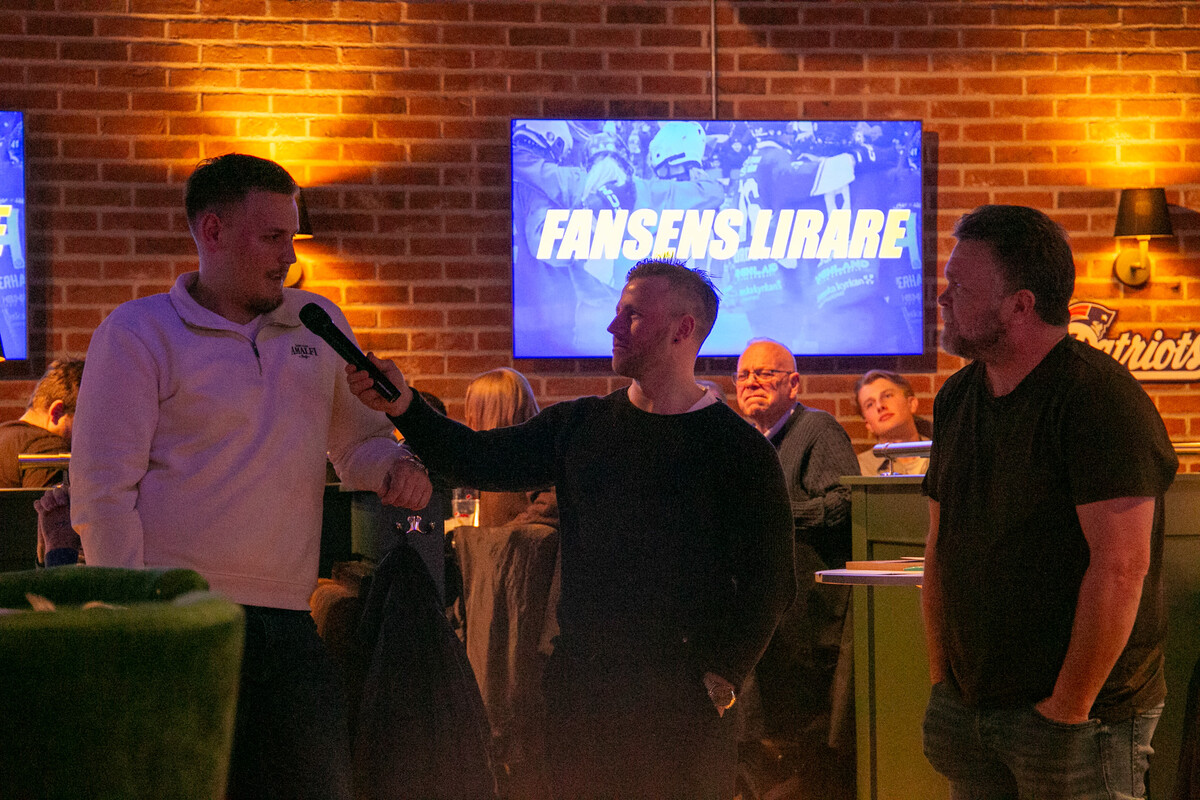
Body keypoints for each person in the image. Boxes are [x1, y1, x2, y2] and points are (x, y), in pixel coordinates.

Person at [347, 257, 795, 800]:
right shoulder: (582, 425)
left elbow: (772, 581)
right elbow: (476, 457)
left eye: (632, 316)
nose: (612, 326)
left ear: (683, 329)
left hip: (680, 704)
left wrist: (722, 676)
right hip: (581, 692)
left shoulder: (738, 449)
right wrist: (405, 406)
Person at [70, 153, 432, 800]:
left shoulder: (318, 322)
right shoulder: (138, 332)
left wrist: (397, 468)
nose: (288, 256)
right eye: (271, 237)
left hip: (288, 622)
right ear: (212, 231)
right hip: (178, 619)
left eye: (290, 237)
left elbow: (359, 444)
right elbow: (103, 494)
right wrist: (135, 622)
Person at [921, 205, 1178, 800]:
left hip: (1082, 719)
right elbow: (941, 546)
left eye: (961, 287)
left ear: (1020, 305)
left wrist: (1067, 709)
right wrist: (943, 681)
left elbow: (1121, 568)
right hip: (973, 704)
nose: (943, 298)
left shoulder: (1098, 398)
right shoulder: (957, 396)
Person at [734, 338, 861, 797]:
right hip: (767, 618)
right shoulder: (749, 441)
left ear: (793, 384)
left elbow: (845, 501)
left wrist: (773, 514)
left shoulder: (817, 428)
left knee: (803, 748)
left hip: (809, 622)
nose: (752, 382)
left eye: (765, 373)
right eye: (744, 375)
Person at [0, 359, 83, 487]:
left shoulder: (3, 434)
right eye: (83, 422)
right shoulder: (48, 447)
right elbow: (40, 500)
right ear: (56, 412)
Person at [853, 369, 932, 476]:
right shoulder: (859, 469)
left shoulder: (945, 454)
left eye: (887, 396)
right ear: (868, 424)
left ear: (911, 404)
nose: (879, 406)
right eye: (870, 404)